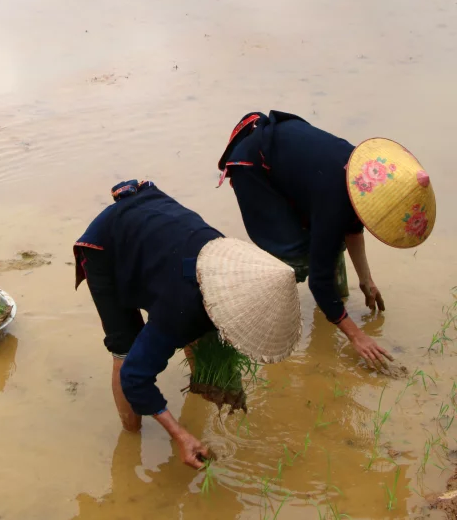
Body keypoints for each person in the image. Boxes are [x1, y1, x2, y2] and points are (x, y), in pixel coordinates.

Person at [74, 179, 301, 468]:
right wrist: (180, 434)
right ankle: (131, 440)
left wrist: (221, 380)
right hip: (106, 244)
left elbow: (203, 317)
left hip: (158, 236)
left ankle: (197, 392)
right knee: (126, 351)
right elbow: (135, 376)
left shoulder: (228, 263)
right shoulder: (181, 306)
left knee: (198, 327)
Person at [218, 111, 436, 369]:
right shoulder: (334, 199)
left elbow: (353, 227)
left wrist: (366, 279)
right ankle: (244, 313)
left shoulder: (364, 175)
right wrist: (357, 336)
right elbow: (318, 283)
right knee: (295, 259)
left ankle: (335, 304)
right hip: (253, 166)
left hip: (295, 160)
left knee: (328, 238)